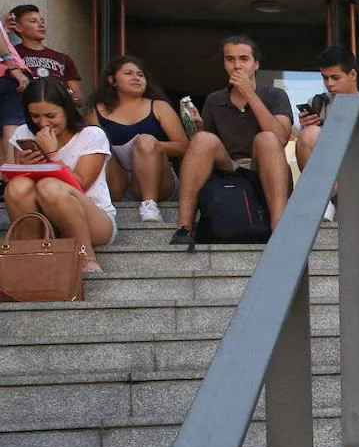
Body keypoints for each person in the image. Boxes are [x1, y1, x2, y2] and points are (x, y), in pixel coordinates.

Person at [168, 36, 293, 245]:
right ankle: (184, 227)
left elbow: (281, 138)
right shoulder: (214, 100)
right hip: (229, 169)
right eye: (230, 59)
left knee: (267, 139)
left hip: (264, 165)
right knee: (203, 139)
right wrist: (198, 130)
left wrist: (250, 95)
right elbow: (203, 150)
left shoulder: (275, 94)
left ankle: (279, 225)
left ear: (256, 64)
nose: (237, 65)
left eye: (244, 59)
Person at [5, 79, 116, 273]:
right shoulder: (24, 132)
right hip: (45, 221)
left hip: (93, 219)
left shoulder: (91, 135)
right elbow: (21, 189)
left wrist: (52, 155)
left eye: (50, 115)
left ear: (66, 109)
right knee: (17, 186)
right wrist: (23, 167)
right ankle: (33, 256)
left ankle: (86, 257)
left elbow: (80, 184)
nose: (43, 123)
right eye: (35, 116)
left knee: (50, 186)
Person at [294, 46, 359, 241]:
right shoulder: (317, 103)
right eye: (325, 78)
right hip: (329, 177)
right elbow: (299, 143)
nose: (329, 84)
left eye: (335, 77)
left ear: (353, 75)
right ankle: (322, 198)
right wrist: (304, 126)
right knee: (308, 133)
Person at [85, 55, 189, 223]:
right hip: (117, 183)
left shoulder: (158, 106)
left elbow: (184, 146)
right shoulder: (96, 111)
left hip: (159, 181)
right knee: (98, 144)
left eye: (140, 75)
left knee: (146, 140)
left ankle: (149, 205)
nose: (136, 78)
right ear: (112, 80)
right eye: (128, 73)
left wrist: (149, 146)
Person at [8, 5, 83, 105]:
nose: (41, 24)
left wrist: (67, 95)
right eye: (33, 21)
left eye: (42, 21)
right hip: (23, 115)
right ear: (17, 27)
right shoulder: (11, 56)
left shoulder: (63, 59)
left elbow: (79, 99)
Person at [1, 12, 33, 163]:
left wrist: (3, 29)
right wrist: (12, 66)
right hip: (6, 76)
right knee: (11, 128)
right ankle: (11, 181)